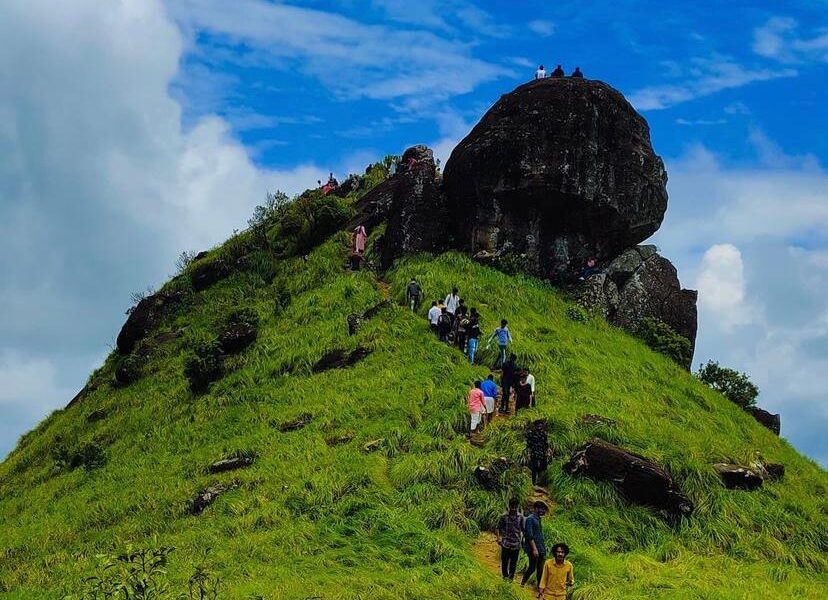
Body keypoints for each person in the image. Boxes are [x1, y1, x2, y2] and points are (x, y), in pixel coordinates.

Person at [521, 501, 548, 588]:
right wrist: (534, 549)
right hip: (534, 548)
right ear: (536, 508)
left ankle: (540, 588)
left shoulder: (538, 519)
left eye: (544, 509)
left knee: (541, 569)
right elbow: (529, 535)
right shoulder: (530, 519)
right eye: (542, 509)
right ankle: (522, 583)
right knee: (532, 567)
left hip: (541, 548)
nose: (543, 511)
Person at [496, 498, 524, 581]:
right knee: (504, 562)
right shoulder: (504, 516)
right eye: (512, 506)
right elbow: (498, 528)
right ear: (509, 506)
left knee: (513, 563)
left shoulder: (521, 517)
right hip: (506, 543)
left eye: (515, 507)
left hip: (516, 544)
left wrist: (523, 541)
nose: (513, 508)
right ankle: (505, 577)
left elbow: (523, 529)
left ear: (517, 506)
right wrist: (498, 538)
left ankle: (510, 579)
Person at [526, 419, 549, 486]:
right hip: (534, 452)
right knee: (534, 467)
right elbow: (528, 443)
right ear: (535, 426)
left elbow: (546, 443)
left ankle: (539, 482)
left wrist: (547, 452)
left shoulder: (544, 434)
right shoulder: (531, 433)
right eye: (538, 425)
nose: (539, 426)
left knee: (542, 467)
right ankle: (533, 482)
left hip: (542, 452)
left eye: (540, 425)